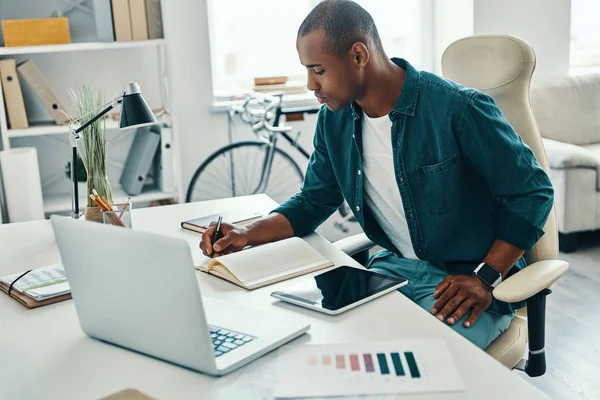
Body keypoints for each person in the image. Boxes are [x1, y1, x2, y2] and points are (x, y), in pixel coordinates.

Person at [200, 0, 554, 350]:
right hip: (391, 271)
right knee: (323, 350)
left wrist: (485, 277)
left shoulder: (457, 109)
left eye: (318, 70)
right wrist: (246, 234)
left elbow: (533, 191)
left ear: (358, 55)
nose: (310, 84)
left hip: (464, 281)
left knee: (427, 369)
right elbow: (314, 199)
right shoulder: (334, 120)